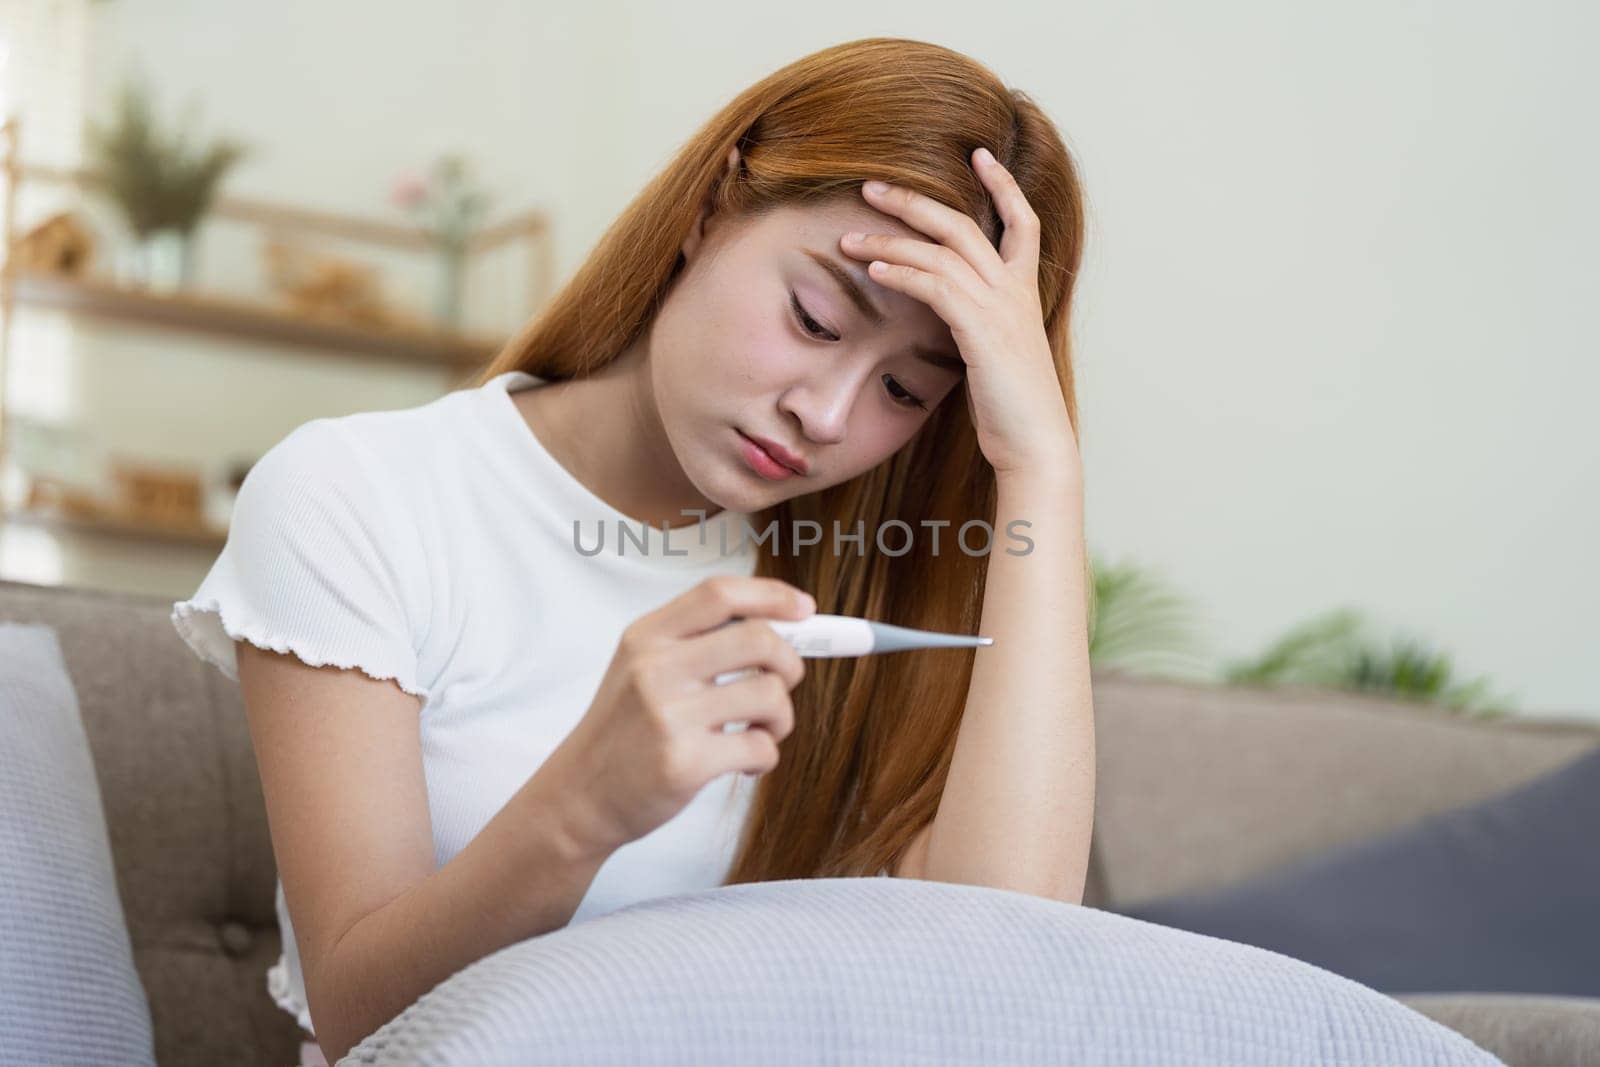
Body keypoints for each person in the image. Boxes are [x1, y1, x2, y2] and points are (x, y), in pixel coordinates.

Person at [170, 36, 1094, 1066]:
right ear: (708, 211)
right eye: (814, 315)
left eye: (904, 391)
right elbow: (360, 1016)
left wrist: (1039, 463)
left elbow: (1008, 960)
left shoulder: (864, 572)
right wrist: (586, 803)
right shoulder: (360, 496)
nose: (824, 413)